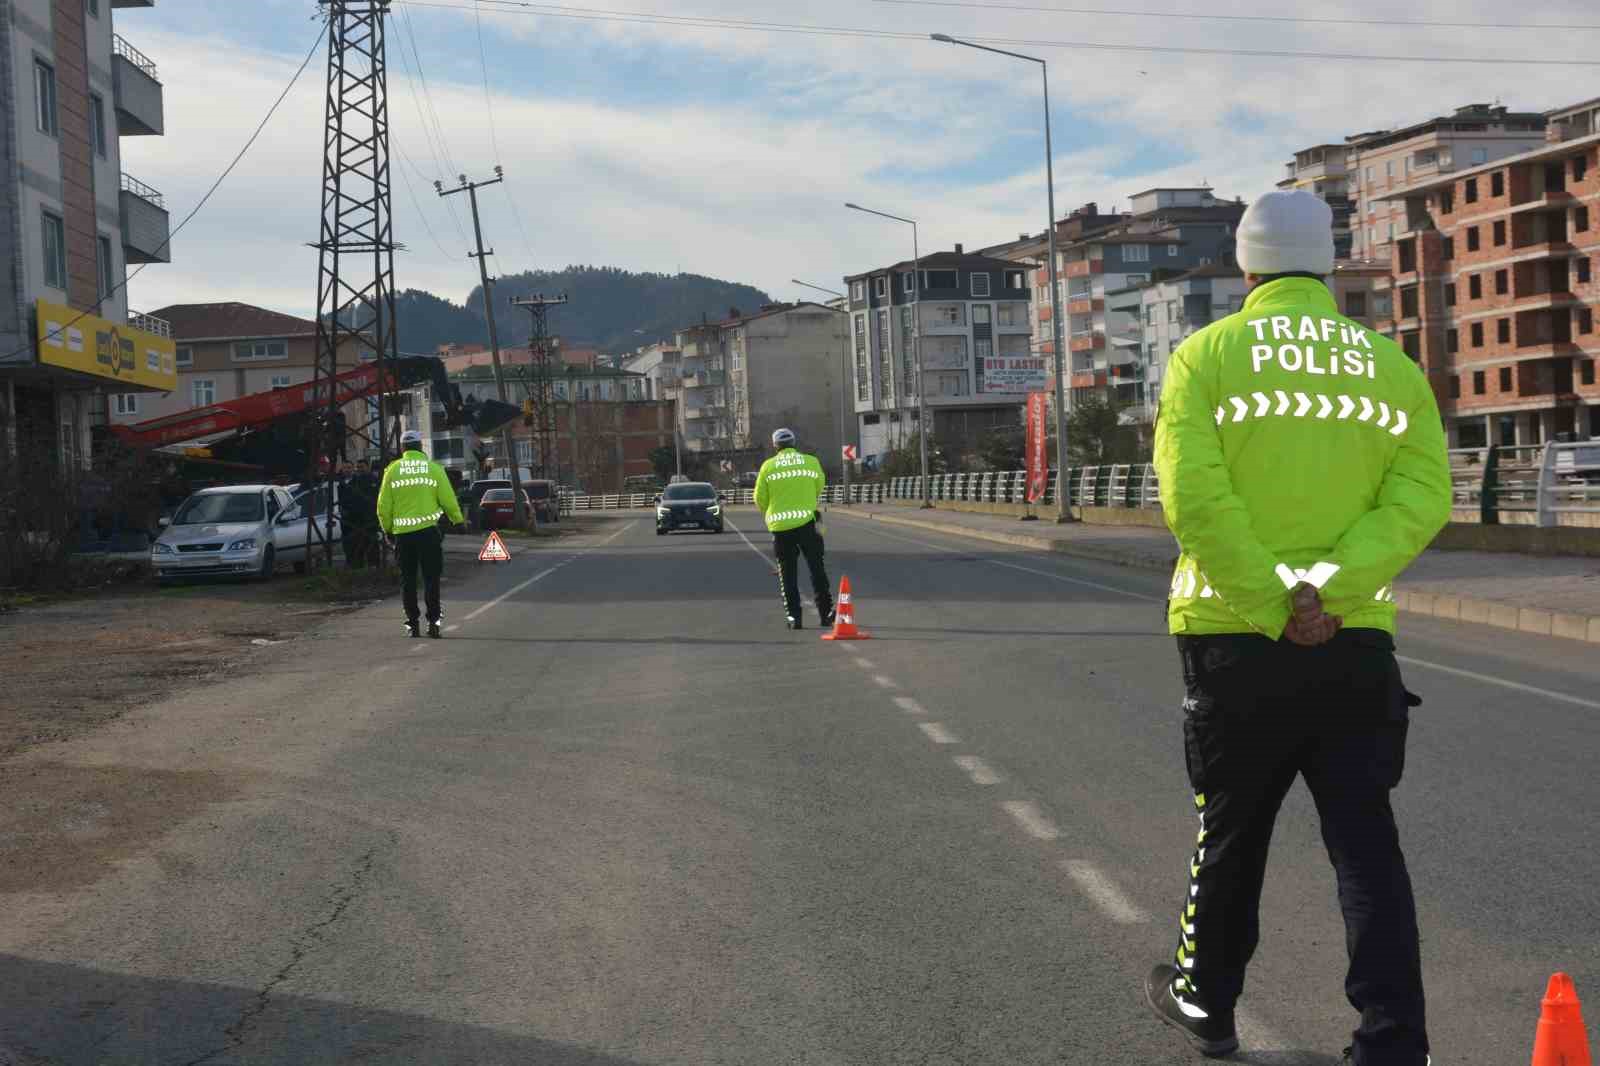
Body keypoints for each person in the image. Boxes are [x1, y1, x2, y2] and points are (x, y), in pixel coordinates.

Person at [1144, 189, 1451, 1066]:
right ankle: (1392, 1043)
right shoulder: (1391, 367)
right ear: (1328, 264)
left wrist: (1275, 602)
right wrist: (1330, 591)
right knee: (1366, 845)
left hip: (1231, 631)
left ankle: (1208, 1004)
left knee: (1232, 830)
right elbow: (1422, 498)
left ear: (1246, 267)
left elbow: (1194, 497)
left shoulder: (1206, 356)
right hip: (1353, 639)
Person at [377, 430, 464, 638]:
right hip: (428, 534)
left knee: (407, 580)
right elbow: (448, 499)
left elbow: (383, 505)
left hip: (403, 535)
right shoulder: (434, 469)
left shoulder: (392, 471)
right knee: (431, 579)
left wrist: (387, 529)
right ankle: (433, 624)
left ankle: (412, 625)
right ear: (420, 447)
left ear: (402, 448)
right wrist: (458, 520)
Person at [753, 427, 834, 631]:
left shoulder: (768, 467)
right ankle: (826, 614)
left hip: (781, 529)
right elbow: (819, 485)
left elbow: (759, 498)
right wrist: (806, 500)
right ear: (794, 443)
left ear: (775, 446)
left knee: (787, 575)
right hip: (808, 523)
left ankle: (794, 618)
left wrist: (770, 512)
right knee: (817, 568)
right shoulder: (811, 462)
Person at [340, 459, 381, 568]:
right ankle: (358, 565)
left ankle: (373, 564)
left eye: (361, 467)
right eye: (358, 467)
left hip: (371, 517)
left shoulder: (374, 480)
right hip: (358, 518)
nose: (359, 469)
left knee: (371, 542)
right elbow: (349, 499)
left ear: (368, 467)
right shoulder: (353, 481)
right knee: (358, 543)